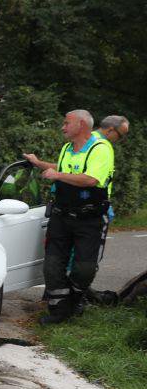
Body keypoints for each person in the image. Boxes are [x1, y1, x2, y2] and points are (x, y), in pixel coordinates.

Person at [24, 110, 115, 324]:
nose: (63, 127)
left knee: (84, 268)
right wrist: (39, 163)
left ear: (81, 125)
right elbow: (63, 169)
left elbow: (91, 179)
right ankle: (59, 312)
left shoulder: (100, 149)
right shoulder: (67, 148)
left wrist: (57, 176)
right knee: (52, 265)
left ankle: (75, 301)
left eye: (67, 123)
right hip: (62, 216)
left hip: (89, 218)